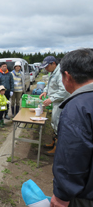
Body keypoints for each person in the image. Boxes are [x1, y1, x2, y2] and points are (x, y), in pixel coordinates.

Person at [51, 48, 93, 207]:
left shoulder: (77, 107)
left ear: (67, 76)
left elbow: (72, 154)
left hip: (85, 196)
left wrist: (62, 195)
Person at [39, 56, 70, 156]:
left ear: (53, 63)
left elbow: (64, 90)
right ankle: (53, 143)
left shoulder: (60, 73)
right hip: (56, 102)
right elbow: (49, 85)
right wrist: (45, 92)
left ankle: (57, 148)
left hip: (60, 102)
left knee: (58, 124)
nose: (46, 69)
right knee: (54, 122)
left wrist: (51, 99)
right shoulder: (52, 72)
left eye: (47, 66)